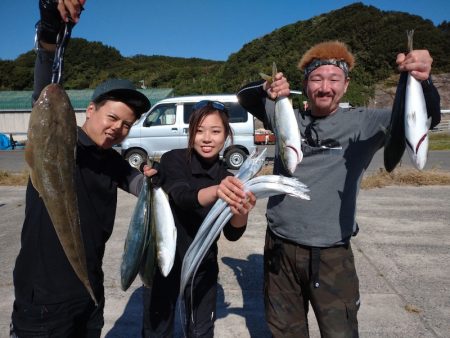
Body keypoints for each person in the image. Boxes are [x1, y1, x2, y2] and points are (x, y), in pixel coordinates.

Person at [237, 40, 441, 337]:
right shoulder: (287, 117)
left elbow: (427, 119)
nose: (325, 87)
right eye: (316, 79)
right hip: (280, 248)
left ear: (346, 85)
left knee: (340, 332)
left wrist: (424, 80)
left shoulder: (367, 123)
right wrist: (269, 85)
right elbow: (245, 97)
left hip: (332, 254)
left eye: (334, 79)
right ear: (305, 85)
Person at [10, 1, 157, 337]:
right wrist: (50, 25)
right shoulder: (59, 142)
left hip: (90, 291)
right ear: (90, 110)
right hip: (43, 299)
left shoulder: (111, 159)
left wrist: (153, 179)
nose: (118, 128)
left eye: (126, 125)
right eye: (112, 118)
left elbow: (135, 181)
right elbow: (45, 82)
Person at [142, 100, 257, 337]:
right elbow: (182, 196)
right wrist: (217, 191)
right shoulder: (174, 160)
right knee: (157, 331)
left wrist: (242, 209)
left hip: (203, 267)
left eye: (215, 131)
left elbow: (232, 234)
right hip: (165, 262)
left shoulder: (227, 177)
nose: (207, 138)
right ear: (190, 133)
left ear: (226, 135)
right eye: (199, 131)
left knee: (201, 332)